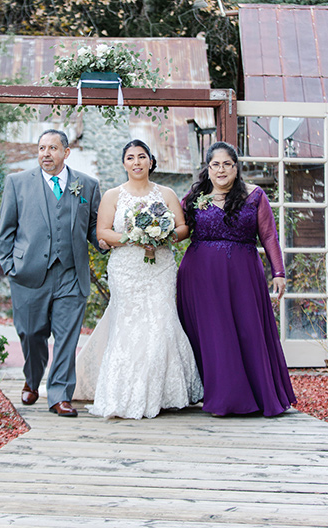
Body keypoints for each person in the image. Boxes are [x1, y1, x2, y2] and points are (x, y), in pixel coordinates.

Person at [74, 139, 203, 419]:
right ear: (124, 163)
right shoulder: (113, 195)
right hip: (126, 269)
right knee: (128, 326)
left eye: (142, 156)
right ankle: (125, 393)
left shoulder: (166, 193)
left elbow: (182, 228)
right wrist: (135, 237)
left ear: (151, 161)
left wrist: (163, 235)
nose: (136, 162)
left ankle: (162, 394)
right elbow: (102, 233)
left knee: (161, 322)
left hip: (160, 268)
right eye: (131, 157)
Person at [176, 141, 296, 417]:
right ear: (207, 169)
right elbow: (178, 230)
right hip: (200, 277)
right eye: (215, 164)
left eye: (227, 164)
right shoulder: (194, 199)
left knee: (247, 331)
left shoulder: (254, 196)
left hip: (243, 274)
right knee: (214, 336)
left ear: (236, 167)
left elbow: (268, 236)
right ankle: (220, 397)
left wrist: (279, 272)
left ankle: (254, 396)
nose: (221, 170)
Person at [0, 129, 105, 417]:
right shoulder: (18, 183)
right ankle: (32, 379)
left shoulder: (88, 185)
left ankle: (59, 395)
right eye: (42, 148)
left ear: (65, 153)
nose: (46, 153)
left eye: (53, 148)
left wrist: (106, 241)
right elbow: (6, 231)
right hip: (28, 274)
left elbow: (94, 227)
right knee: (31, 334)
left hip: (71, 273)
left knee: (67, 337)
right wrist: (10, 267)